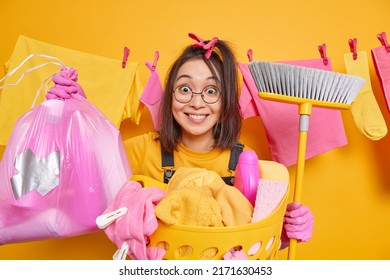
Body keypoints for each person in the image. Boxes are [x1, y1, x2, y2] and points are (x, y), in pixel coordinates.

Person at [47, 32, 314, 251]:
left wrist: (287, 230)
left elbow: (254, 242)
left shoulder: (246, 163)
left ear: (226, 102)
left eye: (211, 91)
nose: (196, 102)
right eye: (185, 88)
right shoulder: (140, 150)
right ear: (171, 96)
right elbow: (80, 180)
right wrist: (73, 114)